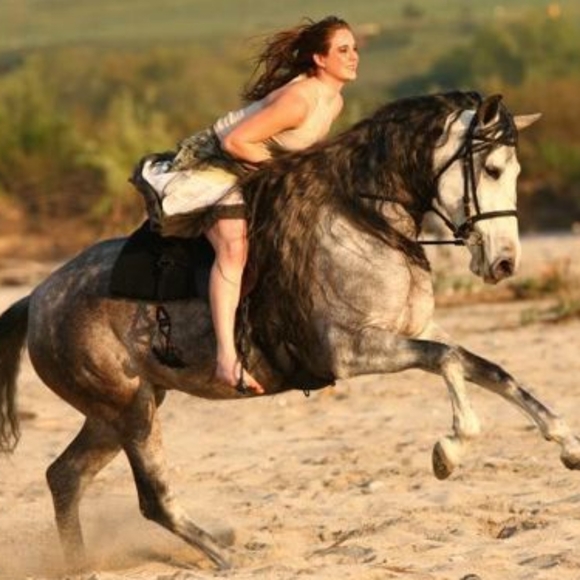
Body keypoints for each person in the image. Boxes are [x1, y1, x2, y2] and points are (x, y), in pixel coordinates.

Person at [143, 16, 359, 394]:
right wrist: (285, 173)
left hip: (251, 169)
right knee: (234, 247)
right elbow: (236, 143)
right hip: (213, 164)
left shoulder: (334, 101)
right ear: (319, 59)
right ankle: (226, 359)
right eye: (343, 50)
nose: (353, 56)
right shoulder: (299, 100)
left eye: (354, 48)